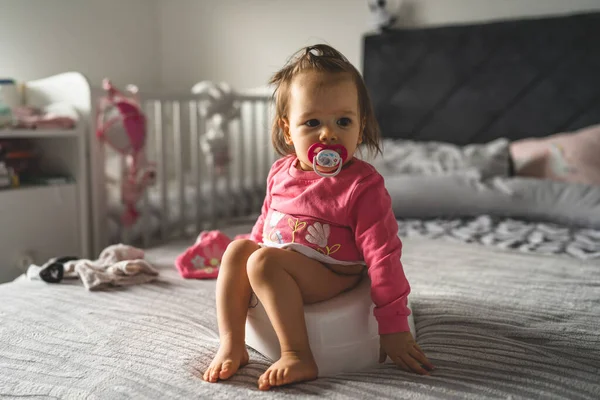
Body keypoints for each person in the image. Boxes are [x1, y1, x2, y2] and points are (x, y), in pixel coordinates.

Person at [203, 44, 434, 391]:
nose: (328, 134)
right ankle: (233, 343)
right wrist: (246, 264)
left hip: (333, 272)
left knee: (263, 263)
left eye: (343, 121)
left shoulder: (362, 186)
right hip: (283, 261)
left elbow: (383, 255)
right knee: (238, 250)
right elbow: (266, 222)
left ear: (361, 126)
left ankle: (297, 354)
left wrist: (394, 327)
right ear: (287, 130)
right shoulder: (280, 171)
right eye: (312, 122)